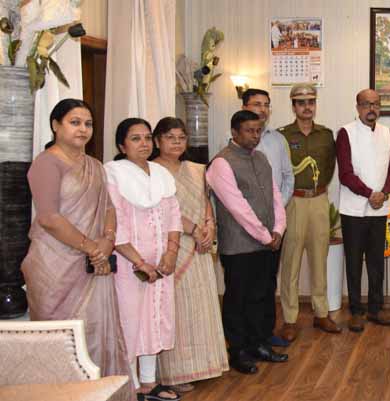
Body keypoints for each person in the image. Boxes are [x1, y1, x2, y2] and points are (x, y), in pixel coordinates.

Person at [21, 99, 130, 379]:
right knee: (59, 337)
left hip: (94, 263)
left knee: (95, 331)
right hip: (55, 266)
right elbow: (49, 217)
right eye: (75, 122)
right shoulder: (46, 163)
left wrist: (107, 240)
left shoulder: (95, 165)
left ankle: (97, 392)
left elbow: (108, 208)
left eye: (88, 124)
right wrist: (92, 248)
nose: (83, 129)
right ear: (56, 125)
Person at [206, 111, 289, 375]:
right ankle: (238, 351)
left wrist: (278, 228)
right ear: (234, 132)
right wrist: (266, 235)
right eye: (249, 131)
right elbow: (237, 207)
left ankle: (258, 344)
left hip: (268, 241)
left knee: (261, 295)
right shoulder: (221, 163)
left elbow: (275, 196)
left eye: (258, 130)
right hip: (239, 245)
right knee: (237, 299)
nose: (255, 136)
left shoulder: (261, 158)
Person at [105, 118, 182, 400]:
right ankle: (132, 385)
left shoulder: (161, 174)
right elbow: (116, 224)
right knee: (131, 321)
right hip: (130, 265)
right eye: (135, 138)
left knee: (155, 318)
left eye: (148, 137)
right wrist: (139, 263)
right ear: (121, 145)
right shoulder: (113, 174)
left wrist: (171, 253)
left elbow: (174, 215)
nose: (144, 143)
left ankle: (149, 382)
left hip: (161, 263)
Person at [151, 117, 228, 392]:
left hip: (200, 247)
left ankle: (203, 364)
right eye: (170, 137)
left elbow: (204, 201)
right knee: (178, 310)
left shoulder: (196, 169)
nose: (176, 142)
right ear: (157, 141)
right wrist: (194, 230)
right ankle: (175, 373)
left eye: (181, 137)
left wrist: (209, 227)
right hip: (173, 245)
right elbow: (162, 210)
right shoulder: (152, 171)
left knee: (201, 307)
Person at [278, 83, 341, 342]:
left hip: (319, 200)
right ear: (293, 106)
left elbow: (329, 167)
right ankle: (290, 319)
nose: (307, 107)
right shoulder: (282, 135)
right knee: (291, 261)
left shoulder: (325, 135)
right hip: (294, 201)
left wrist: (319, 189)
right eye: (301, 102)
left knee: (319, 259)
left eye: (311, 102)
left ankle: (321, 313)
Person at [335, 89, 390, 332]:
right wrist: (369, 193)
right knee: (353, 262)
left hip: (379, 209)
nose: (371, 109)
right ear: (358, 107)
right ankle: (355, 311)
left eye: (376, 104)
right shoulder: (346, 132)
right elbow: (345, 173)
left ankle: (376, 308)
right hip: (353, 209)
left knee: (376, 262)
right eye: (366, 104)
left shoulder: (386, 132)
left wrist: (384, 193)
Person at [241, 88, 295, 348]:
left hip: (274, 222)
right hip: (243, 225)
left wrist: (277, 210)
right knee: (245, 282)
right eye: (256, 104)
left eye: (266, 105)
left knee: (268, 279)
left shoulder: (278, 140)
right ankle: (245, 338)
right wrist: (252, 217)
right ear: (244, 107)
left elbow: (288, 177)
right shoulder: (232, 141)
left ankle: (265, 332)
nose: (262, 109)